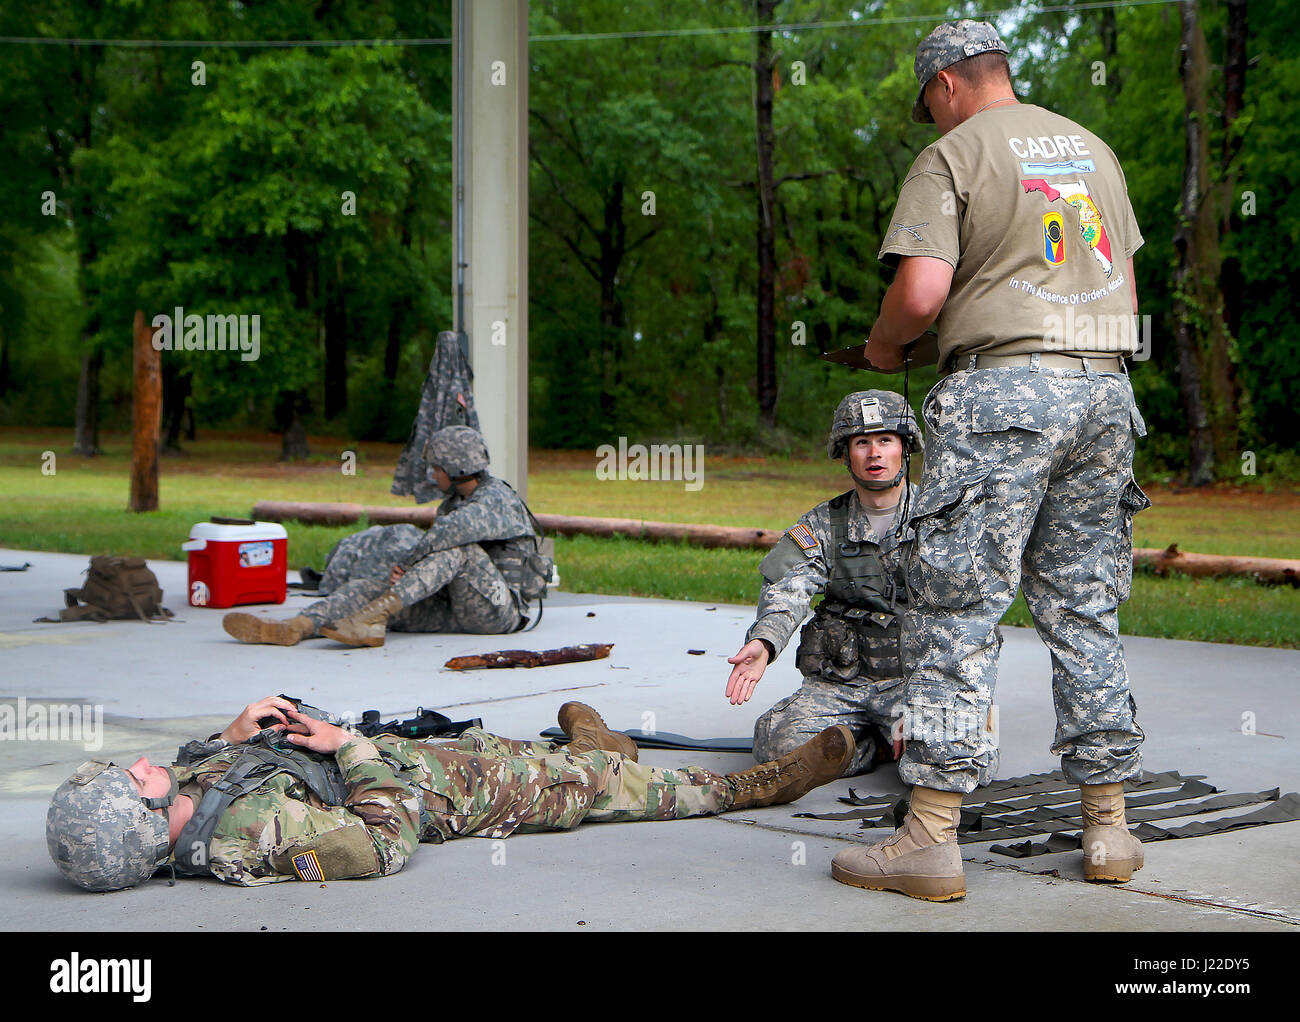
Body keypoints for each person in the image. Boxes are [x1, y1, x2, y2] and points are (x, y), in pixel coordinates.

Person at [834, 19, 1150, 901]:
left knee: (956, 609)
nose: (931, 119)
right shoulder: (1094, 149)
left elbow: (924, 290)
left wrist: (887, 347)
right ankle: (1109, 830)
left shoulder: (954, 156)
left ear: (944, 84)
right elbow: (1123, 291)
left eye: (927, 104)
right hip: (1104, 392)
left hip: (1000, 395)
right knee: (1086, 606)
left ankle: (930, 839)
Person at [46, 697, 854, 891]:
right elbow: (383, 843)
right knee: (584, 788)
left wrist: (233, 735)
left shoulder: (186, 798)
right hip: (448, 797)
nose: (142, 767)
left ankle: (592, 744)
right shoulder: (253, 839)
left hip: (421, 757)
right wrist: (353, 748)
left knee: (513, 750)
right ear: (149, 826)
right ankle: (750, 786)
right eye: (133, 782)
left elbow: (201, 769)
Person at [727, 391, 923, 777]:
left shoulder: (938, 519)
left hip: (914, 681)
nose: (874, 453)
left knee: (953, 756)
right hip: (843, 683)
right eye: (861, 442)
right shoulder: (823, 524)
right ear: (846, 452)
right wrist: (765, 640)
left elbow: (967, 612)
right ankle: (871, 747)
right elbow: (789, 587)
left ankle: (908, 735)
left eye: (885, 440)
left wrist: (933, 692)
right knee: (780, 747)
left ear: (905, 446)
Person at [223, 426, 547, 648]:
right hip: (455, 607)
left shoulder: (496, 498)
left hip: (499, 614)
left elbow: (449, 534)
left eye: (437, 468)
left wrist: (407, 564)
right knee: (369, 587)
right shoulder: (454, 502)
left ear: (456, 466)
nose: (432, 474)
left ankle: (371, 618)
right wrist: (404, 571)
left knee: (458, 550)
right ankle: (297, 627)